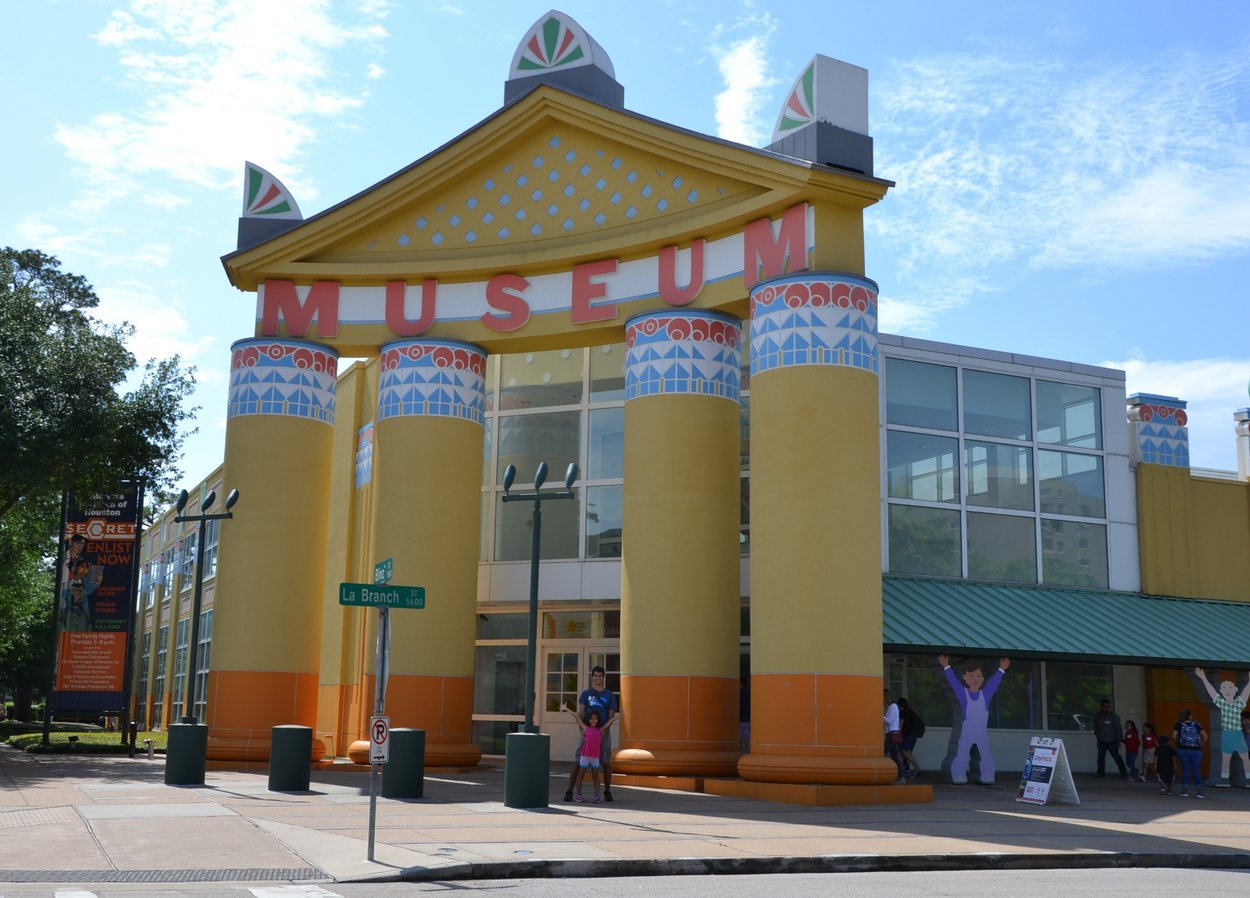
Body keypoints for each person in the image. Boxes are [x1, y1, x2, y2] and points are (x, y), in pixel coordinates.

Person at [938, 654, 1010, 785]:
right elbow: (954, 682)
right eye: (971, 676)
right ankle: (959, 775)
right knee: (962, 753)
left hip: (981, 733)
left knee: (985, 754)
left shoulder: (985, 695)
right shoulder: (963, 694)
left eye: (978, 676)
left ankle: (988, 775)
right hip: (967, 732)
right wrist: (946, 667)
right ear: (965, 678)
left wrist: (1001, 669)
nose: (975, 679)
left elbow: (994, 684)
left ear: (982, 679)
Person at [563, 665, 619, 803]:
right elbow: (581, 714)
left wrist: (603, 734)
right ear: (592, 677)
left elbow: (611, 716)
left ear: (603, 677)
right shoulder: (586, 694)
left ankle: (606, 790)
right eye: (595, 675)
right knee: (578, 761)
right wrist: (582, 731)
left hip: (603, 733)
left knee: (605, 762)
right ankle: (570, 790)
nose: (597, 678)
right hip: (587, 733)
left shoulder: (609, 695)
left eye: (600, 675)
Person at [1193, 667, 1250, 787]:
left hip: (1237, 734)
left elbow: (1246, 692)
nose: (1227, 690)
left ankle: (1247, 780)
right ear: (1221, 691)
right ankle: (1224, 781)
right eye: (1224, 688)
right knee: (1226, 759)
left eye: (1230, 687)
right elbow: (1212, 692)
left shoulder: (1238, 703)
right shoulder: (1222, 704)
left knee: (1245, 758)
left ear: (1235, 690)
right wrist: (1203, 677)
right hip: (1227, 734)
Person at [561, 706, 613, 803]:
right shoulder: (585, 728)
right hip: (585, 756)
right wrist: (566, 708)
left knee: (596, 777)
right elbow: (577, 716)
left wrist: (617, 717)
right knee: (580, 776)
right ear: (588, 719)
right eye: (591, 718)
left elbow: (609, 722)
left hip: (595, 757)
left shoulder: (599, 730)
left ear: (598, 720)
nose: (593, 720)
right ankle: (579, 795)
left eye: (595, 718)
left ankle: (596, 796)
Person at [1172, 708, 1207, 798]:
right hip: (1196, 751)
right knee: (1196, 770)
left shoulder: (1178, 724)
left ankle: (1185, 791)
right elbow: (1205, 736)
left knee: (1185, 770)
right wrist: (1200, 746)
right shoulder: (1196, 724)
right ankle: (1199, 792)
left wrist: (1178, 744)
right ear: (1189, 716)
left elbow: (1173, 736)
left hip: (1182, 750)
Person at [1092, 698, 1128, 778]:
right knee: (1100, 757)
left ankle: (1124, 773)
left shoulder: (1114, 716)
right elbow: (1096, 727)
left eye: (1108, 706)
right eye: (1105, 706)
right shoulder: (1097, 716)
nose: (1107, 708)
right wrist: (1097, 735)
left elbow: (1118, 728)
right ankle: (1100, 773)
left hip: (1112, 741)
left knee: (1116, 757)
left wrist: (1119, 740)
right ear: (1101, 706)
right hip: (1101, 740)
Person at [897, 696, 924, 778]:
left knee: (905, 753)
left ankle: (918, 769)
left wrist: (897, 734)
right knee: (904, 753)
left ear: (899, 705)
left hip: (906, 736)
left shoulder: (903, 713)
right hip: (913, 736)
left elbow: (900, 725)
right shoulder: (912, 712)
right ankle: (903, 771)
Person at [883, 691, 905, 784]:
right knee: (895, 756)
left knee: (884, 754)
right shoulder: (892, 707)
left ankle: (889, 775)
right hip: (893, 733)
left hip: (891, 734)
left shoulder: (893, 707)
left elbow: (889, 721)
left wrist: (879, 715)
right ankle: (901, 776)